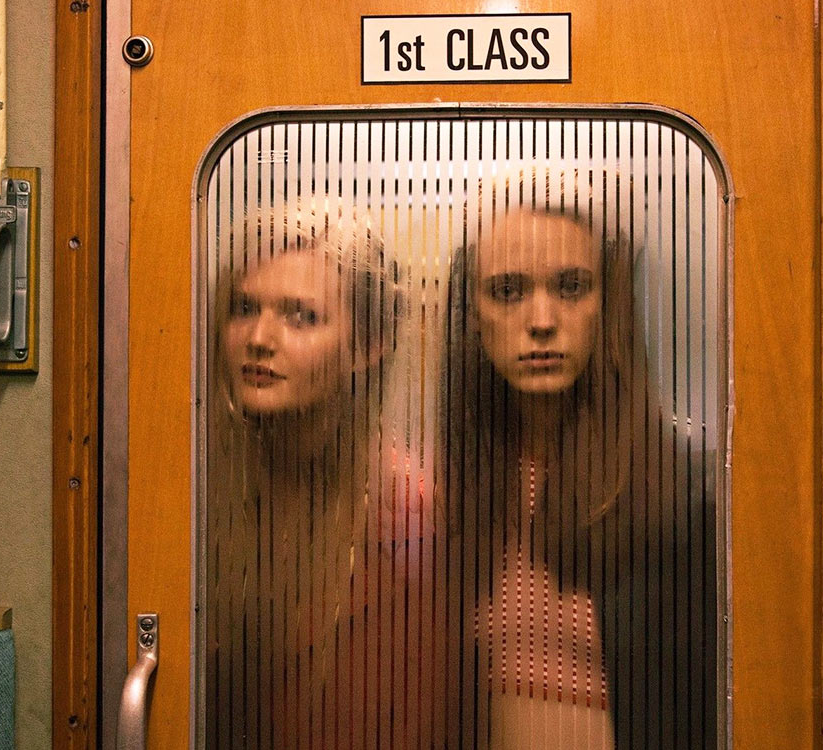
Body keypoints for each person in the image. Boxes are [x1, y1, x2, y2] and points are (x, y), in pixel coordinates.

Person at [207, 200, 415, 749]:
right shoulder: (201, 489)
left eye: (301, 316)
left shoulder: (408, 511)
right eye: (244, 307)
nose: (259, 337)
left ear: (370, 346)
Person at [442, 166, 638, 749]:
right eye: (507, 290)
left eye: (572, 286)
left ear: (609, 304)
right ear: (472, 313)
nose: (542, 322)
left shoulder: (675, 495)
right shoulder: (451, 493)